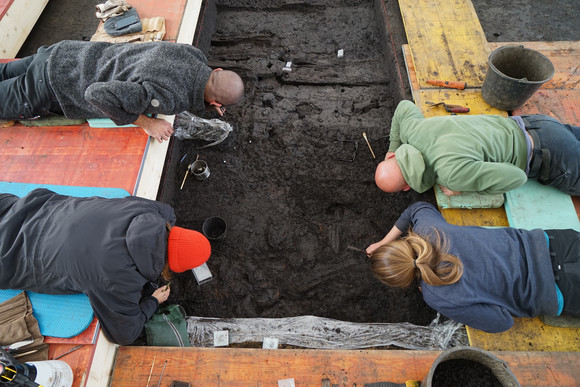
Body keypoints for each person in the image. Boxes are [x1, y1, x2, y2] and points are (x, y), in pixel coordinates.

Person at [0, 188, 211, 345]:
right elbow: (124, 334)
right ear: (170, 268)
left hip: (21, 207)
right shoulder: (118, 278)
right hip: (7, 256)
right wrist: (153, 301)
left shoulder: (146, 211)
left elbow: (168, 212)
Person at [365, 201, 579, 333]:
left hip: (556, 292)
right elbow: (416, 208)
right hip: (553, 243)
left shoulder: (437, 295)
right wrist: (384, 242)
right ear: (400, 244)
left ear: (403, 281)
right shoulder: (428, 229)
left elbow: (502, 323)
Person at [0, 40, 244, 143]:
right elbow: (95, 94)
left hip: (61, 54)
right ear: (213, 100)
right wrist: (145, 123)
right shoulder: (171, 98)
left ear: (218, 69)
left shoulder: (193, 53)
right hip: (50, 86)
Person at [375, 100, 580, 196]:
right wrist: (394, 145)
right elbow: (403, 107)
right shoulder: (414, 130)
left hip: (554, 157)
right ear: (393, 157)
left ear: (407, 187)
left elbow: (517, 177)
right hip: (540, 124)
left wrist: (464, 188)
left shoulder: (451, 175)